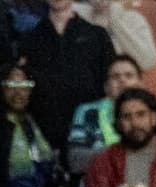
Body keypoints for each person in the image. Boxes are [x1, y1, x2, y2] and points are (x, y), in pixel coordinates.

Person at [19, 0, 116, 154]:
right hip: (46, 139)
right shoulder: (30, 39)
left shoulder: (97, 35)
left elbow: (112, 85)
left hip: (91, 137)